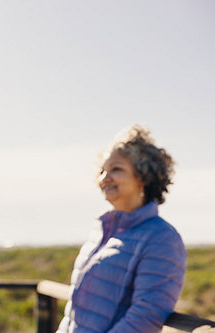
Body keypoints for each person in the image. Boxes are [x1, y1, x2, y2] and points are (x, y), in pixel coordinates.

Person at [56, 125, 187, 333]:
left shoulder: (163, 239)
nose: (104, 178)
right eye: (102, 171)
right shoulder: (100, 232)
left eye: (116, 169)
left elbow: (146, 316)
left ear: (144, 177)